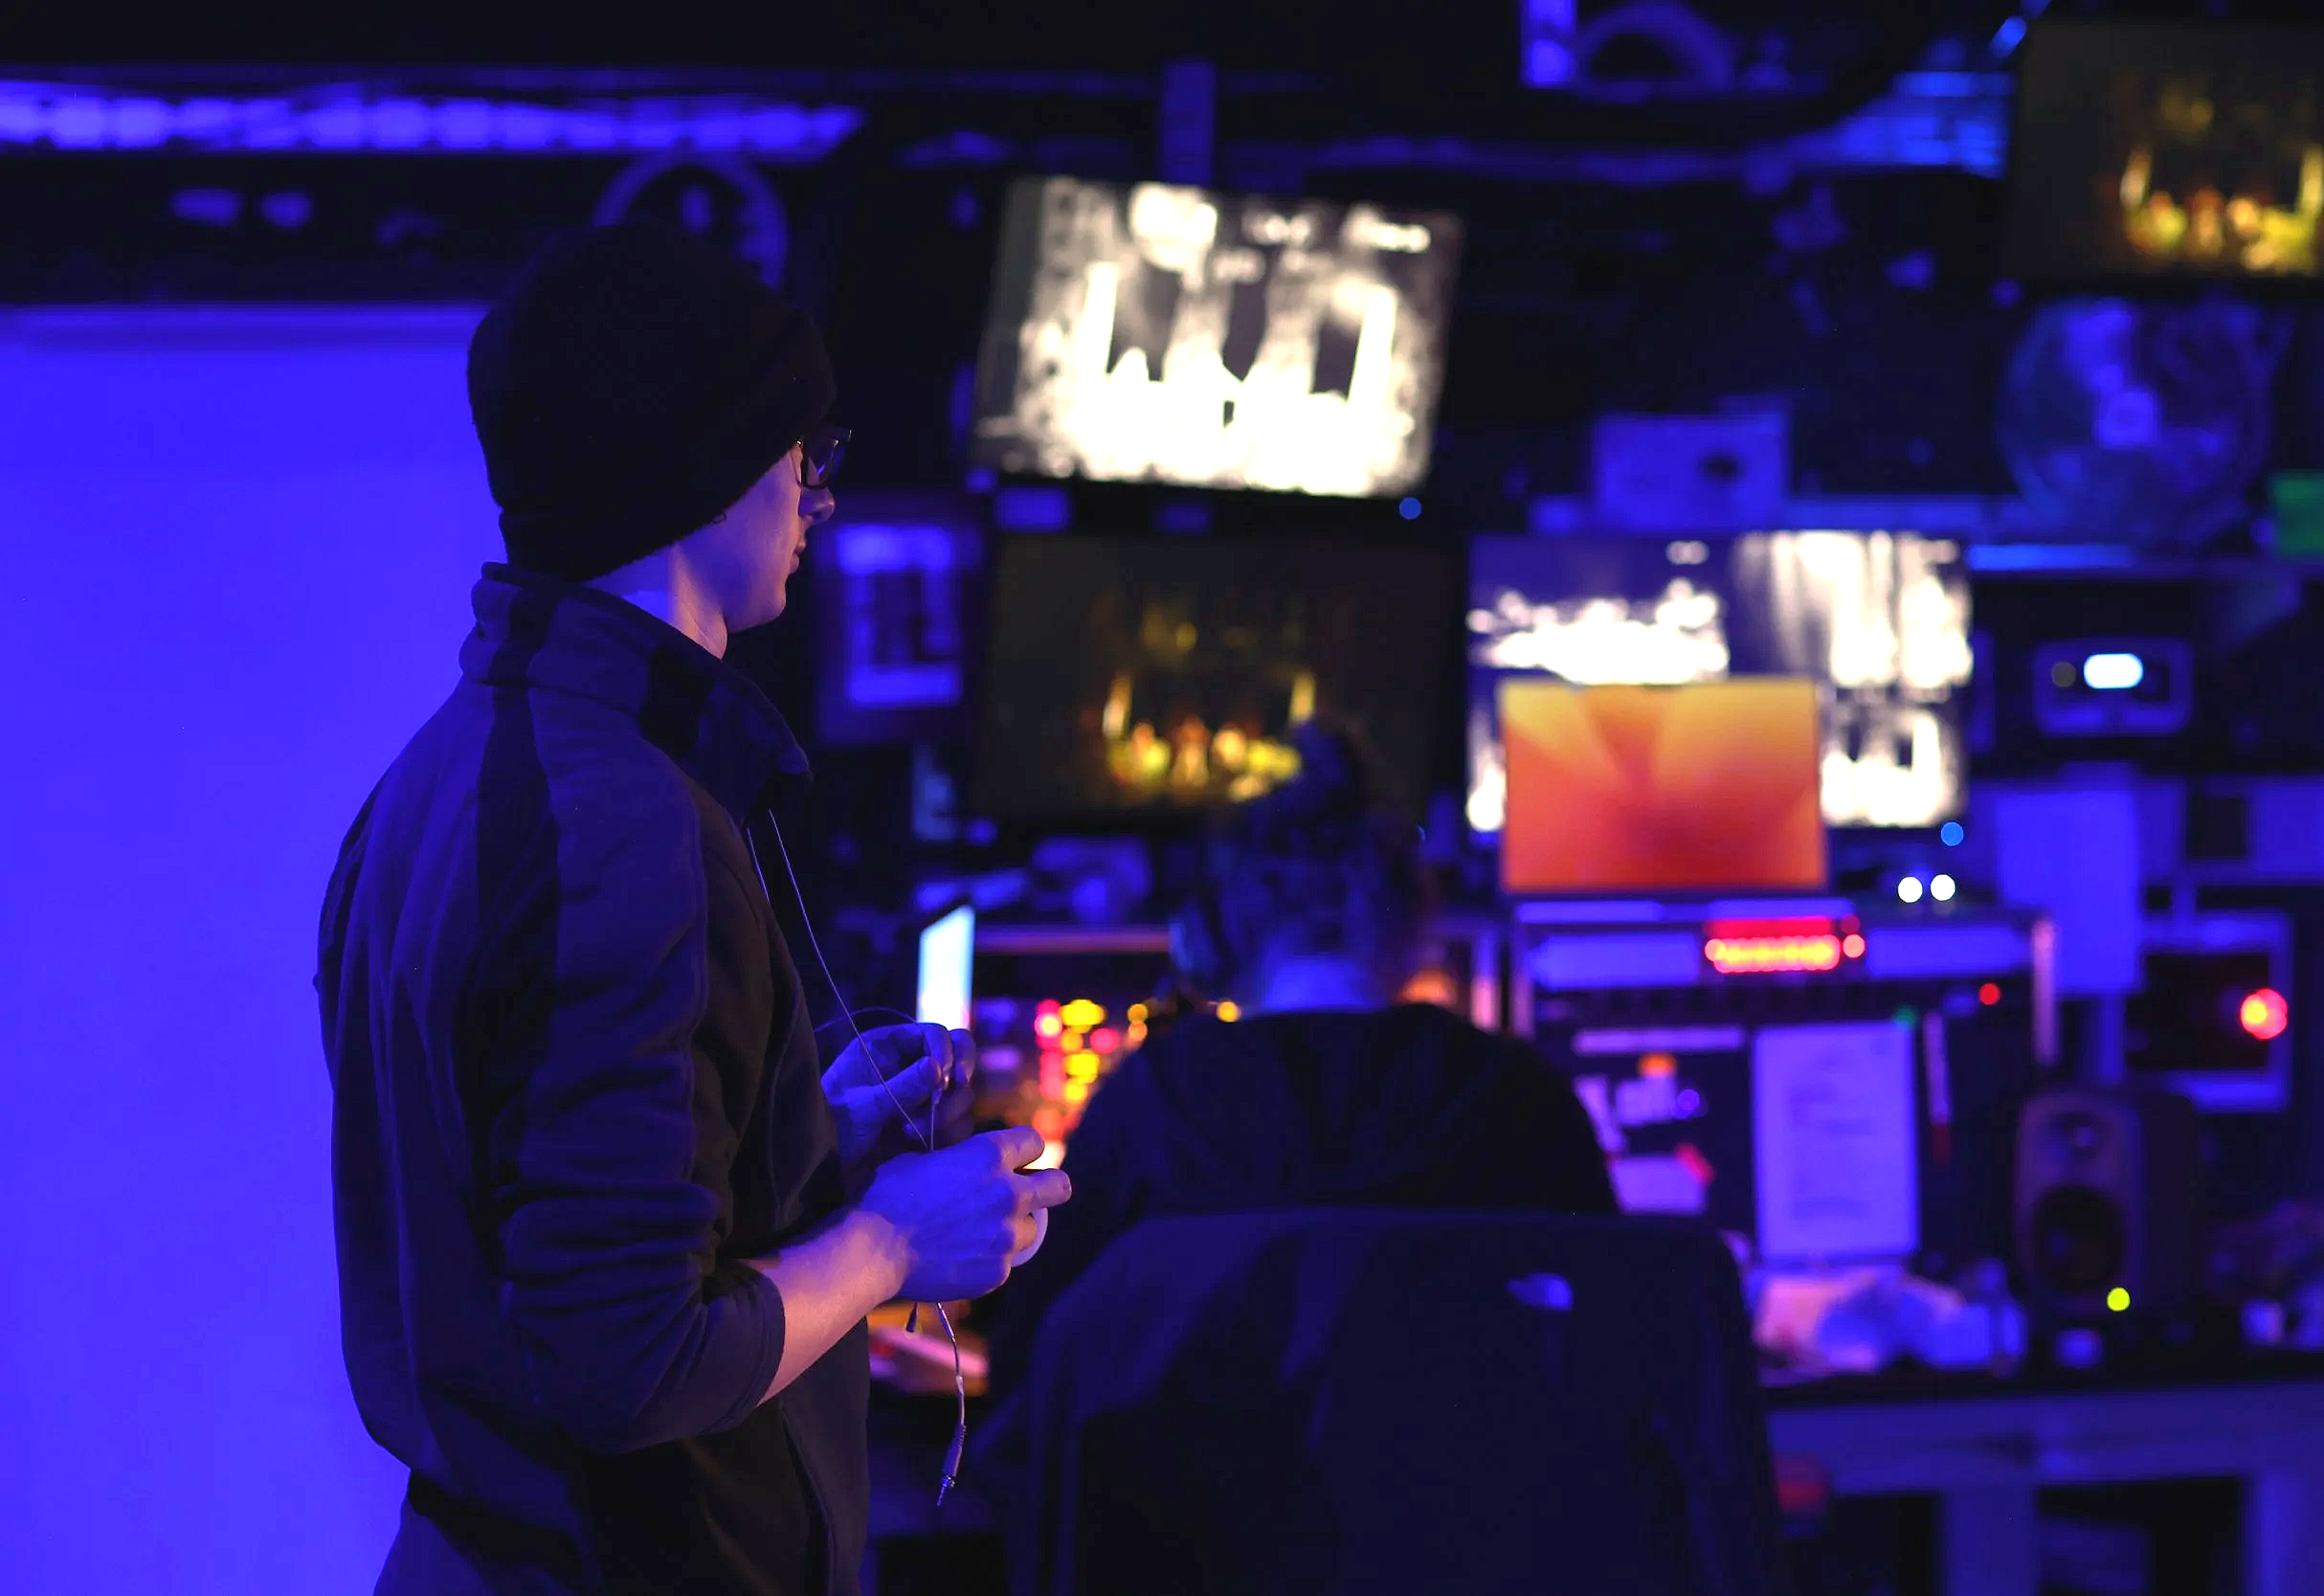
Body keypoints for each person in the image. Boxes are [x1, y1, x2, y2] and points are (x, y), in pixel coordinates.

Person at [316, 220, 1070, 1596]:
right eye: (802, 457)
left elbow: (523, 1212)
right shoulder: (626, 824)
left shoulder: (441, 776)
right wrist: (896, 1236)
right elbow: (630, 1360)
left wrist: (803, 1129)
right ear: (711, 473)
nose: (815, 501)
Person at [985, 724, 1616, 1402]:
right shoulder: (1518, 1096)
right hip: (1481, 1502)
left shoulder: (1153, 1103)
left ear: (1212, 939)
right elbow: (1623, 1343)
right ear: (1408, 921)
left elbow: (1029, 1372)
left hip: (1188, 1509)